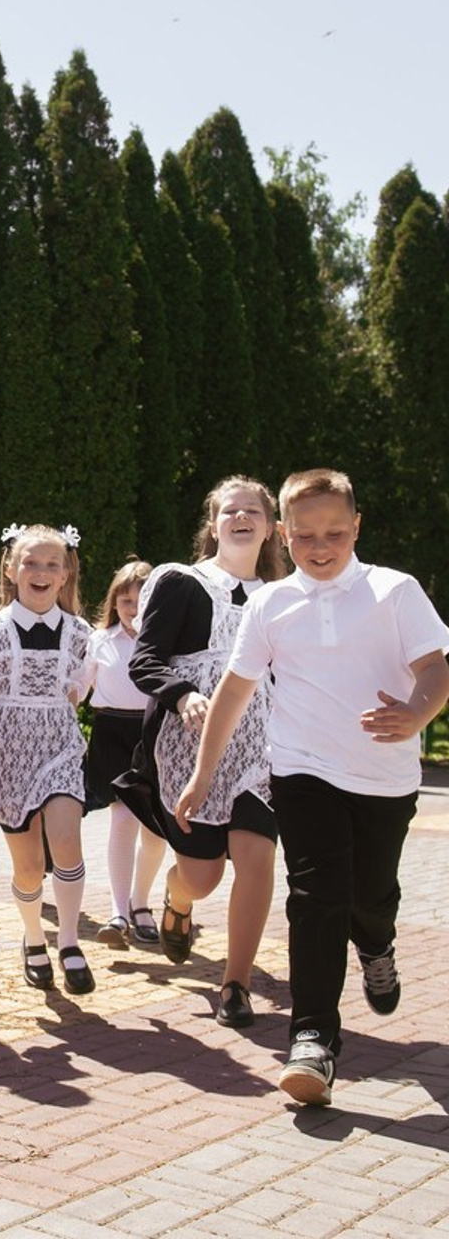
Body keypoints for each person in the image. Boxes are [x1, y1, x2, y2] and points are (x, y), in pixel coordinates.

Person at [177, 470, 449, 1105]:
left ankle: (376, 942)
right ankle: (314, 1041)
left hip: (384, 778)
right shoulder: (271, 604)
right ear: (284, 535)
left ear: (356, 528)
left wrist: (417, 714)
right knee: (315, 895)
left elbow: (435, 667)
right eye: (303, 536)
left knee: (370, 895)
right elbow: (235, 692)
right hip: (301, 770)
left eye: (333, 533)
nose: (319, 547)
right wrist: (203, 773)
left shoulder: (395, 591)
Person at [115, 477, 286, 1029]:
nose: (240, 518)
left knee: (259, 859)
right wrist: (184, 694)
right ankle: (176, 896)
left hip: (263, 748)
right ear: (213, 525)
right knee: (204, 877)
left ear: (270, 526)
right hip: (188, 748)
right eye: (229, 511)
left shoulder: (285, 596)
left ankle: (235, 983)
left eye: (252, 511)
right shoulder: (179, 583)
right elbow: (144, 663)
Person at [0, 523, 96, 994]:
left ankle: (71, 942)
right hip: (7, 748)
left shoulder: (80, 634)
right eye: (30, 563)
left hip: (58, 742)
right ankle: (34, 937)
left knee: (68, 840)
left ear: (65, 574)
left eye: (51, 564)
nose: (40, 571)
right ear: (11, 569)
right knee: (28, 866)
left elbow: (79, 689)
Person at [86, 559, 166, 950]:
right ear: (114, 603)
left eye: (141, 600)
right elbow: (75, 688)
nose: (133, 609)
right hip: (112, 733)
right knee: (122, 819)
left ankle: (141, 902)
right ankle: (118, 913)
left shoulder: (169, 643)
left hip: (154, 734)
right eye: (125, 601)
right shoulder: (99, 642)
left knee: (155, 830)